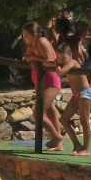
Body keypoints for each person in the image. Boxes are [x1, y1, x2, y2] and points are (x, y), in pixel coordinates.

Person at [22, 21, 65, 151]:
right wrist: (31, 58)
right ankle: (59, 145)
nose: (24, 38)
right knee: (51, 112)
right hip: (40, 83)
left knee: (38, 113)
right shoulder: (32, 44)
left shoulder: (41, 41)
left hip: (50, 81)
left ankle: (56, 137)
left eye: (25, 35)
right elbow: (29, 58)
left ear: (34, 35)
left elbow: (52, 61)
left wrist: (35, 58)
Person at [56, 43, 91, 155]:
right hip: (76, 95)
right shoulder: (66, 63)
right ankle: (77, 144)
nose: (62, 61)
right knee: (63, 119)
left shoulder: (73, 62)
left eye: (63, 58)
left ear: (70, 55)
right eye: (59, 58)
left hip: (84, 94)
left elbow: (60, 73)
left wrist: (55, 64)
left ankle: (86, 149)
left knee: (84, 121)